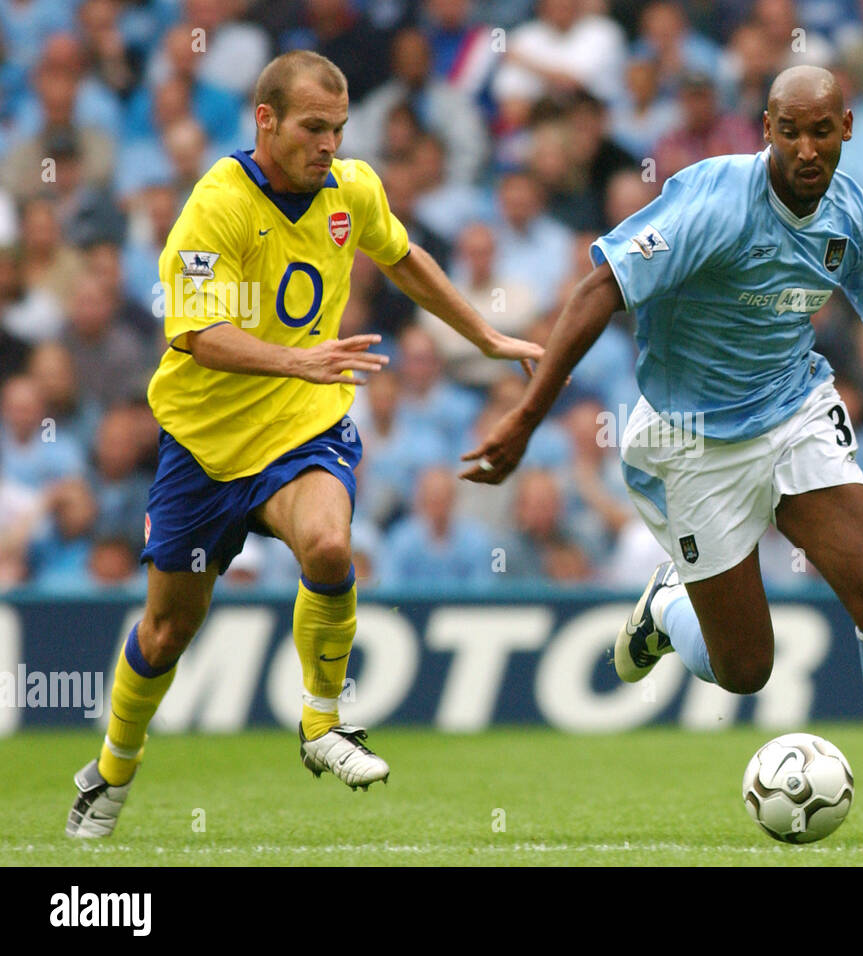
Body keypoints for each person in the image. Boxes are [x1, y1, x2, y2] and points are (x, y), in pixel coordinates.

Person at [462, 66, 863, 843]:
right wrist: (526, 418)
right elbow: (596, 291)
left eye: (822, 130)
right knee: (747, 668)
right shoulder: (713, 200)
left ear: (848, 128)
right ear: (766, 128)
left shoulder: (852, 213)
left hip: (794, 411)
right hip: (692, 442)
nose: (807, 148)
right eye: (791, 130)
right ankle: (665, 607)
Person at [66, 50, 543, 839]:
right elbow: (196, 335)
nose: (330, 144)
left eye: (339, 128)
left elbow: (404, 258)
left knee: (328, 549)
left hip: (304, 427)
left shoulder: (352, 190)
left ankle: (321, 725)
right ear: (266, 120)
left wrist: (483, 333)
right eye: (314, 128)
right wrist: (300, 357)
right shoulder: (215, 204)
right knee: (166, 630)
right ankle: (112, 768)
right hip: (204, 445)